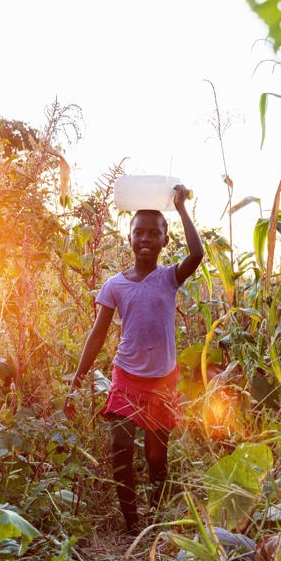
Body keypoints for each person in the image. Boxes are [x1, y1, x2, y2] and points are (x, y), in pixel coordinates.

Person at [65, 183, 204, 533]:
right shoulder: (115, 285)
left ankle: (154, 520)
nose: (145, 238)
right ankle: (131, 523)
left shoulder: (169, 277)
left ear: (164, 240)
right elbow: (98, 334)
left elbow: (197, 254)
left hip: (162, 380)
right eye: (138, 232)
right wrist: (78, 377)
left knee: (157, 456)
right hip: (126, 377)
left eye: (153, 233)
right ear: (128, 238)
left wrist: (181, 207)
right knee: (120, 449)